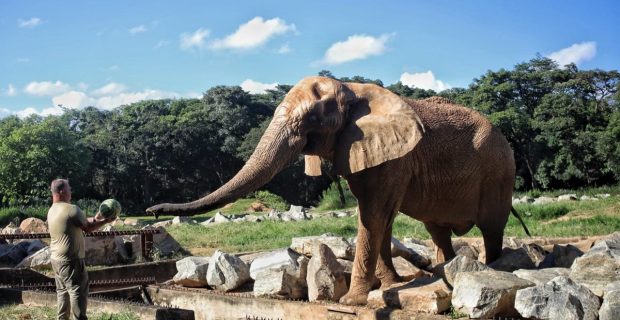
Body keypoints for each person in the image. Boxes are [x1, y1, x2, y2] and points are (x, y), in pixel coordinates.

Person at [47, 179, 114, 320]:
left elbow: (80, 221)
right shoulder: (71, 209)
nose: (71, 191)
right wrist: (106, 221)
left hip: (56, 259)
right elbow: (88, 228)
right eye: (69, 188)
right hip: (71, 259)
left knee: (62, 292)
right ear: (62, 191)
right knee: (77, 291)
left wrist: (98, 217)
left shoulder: (52, 210)